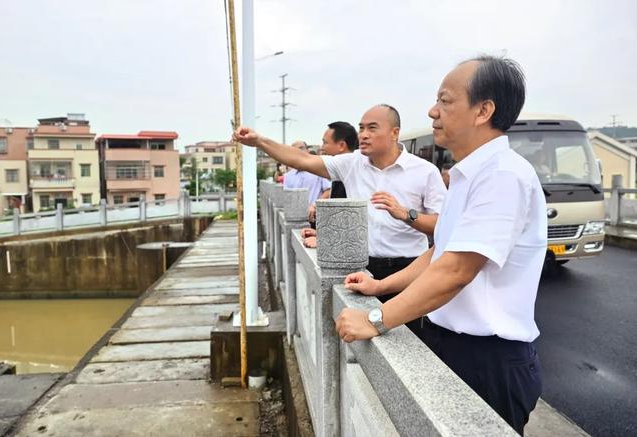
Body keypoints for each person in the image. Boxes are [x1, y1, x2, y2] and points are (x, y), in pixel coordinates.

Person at [335, 56, 545, 434]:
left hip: (486, 358)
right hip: (449, 343)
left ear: (483, 110)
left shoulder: (503, 176)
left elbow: (456, 271)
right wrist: (381, 288)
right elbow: (440, 252)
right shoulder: (468, 175)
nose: (433, 111)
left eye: (445, 101)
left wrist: (375, 319)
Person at [233, 104, 446, 336]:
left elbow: (444, 228)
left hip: (410, 270)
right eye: (361, 128)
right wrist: (260, 142)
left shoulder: (425, 172)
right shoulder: (351, 163)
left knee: (410, 342)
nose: (363, 135)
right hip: (362, 269)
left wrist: (407, 215)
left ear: (394, 133)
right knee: (361, 339)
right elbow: (302, 160)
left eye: (372, 128)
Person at [302, 121, 359, 248]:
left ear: (341, 145)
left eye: (325, 142)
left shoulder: (354, 171)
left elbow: (354, 221)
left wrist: (325, 240)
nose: (322, 148)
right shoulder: (341, 171)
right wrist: (322, 234)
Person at [283, 141, 332, 208]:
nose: (299, 152)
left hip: (315, 215)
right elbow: (287, 197)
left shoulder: (318, 171)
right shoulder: (288, 176)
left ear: (307, 151)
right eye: (294, 150)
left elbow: (328, 191)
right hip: (296, 216)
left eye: (302, 148)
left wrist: (314, 206)